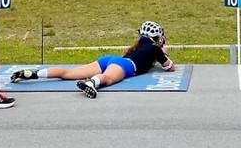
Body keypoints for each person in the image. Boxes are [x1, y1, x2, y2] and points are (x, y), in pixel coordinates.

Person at [10, 20, 174, 98]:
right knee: (108, 79)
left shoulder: (139, 46)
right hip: (125, 66)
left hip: (109, 59)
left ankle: (35, 74)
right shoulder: (154, 49)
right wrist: (164, 52)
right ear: (156, 38)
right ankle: (91, 83)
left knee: (68, 73)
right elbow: (169, 67)